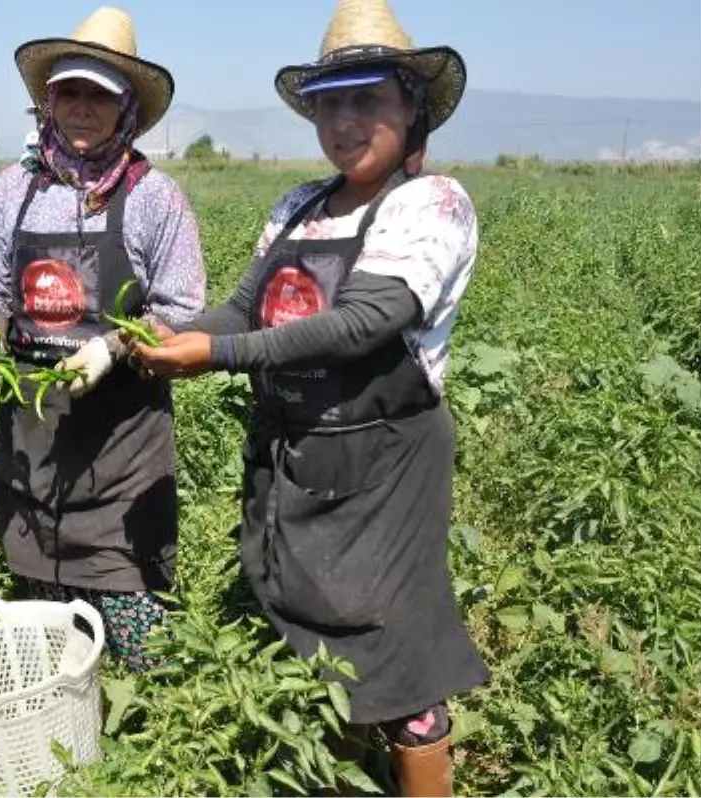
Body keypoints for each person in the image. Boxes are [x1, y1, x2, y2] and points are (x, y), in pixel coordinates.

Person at [130, 0, 488, 793]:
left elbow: (365, 322)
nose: (346, 120)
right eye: (331, 102)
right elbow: (243, 308)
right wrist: (171, 331)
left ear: (411, 111)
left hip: (386, 466)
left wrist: (217, 354)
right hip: (296, 458)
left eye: (368, 99)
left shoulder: (431, 205)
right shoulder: (299, 204)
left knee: (400, 661)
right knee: (309, 648)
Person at [0, 7, 207, 672]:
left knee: (140, 641)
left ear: (128, 106)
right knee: (47, 632)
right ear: (49, 99)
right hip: (31, 438)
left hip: (121, 442)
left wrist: (118, 346)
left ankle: (151, 749)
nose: (83, 109)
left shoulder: (155, 197)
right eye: (70, 91)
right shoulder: (16, 187)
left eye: (101, 94)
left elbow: (182, 305)